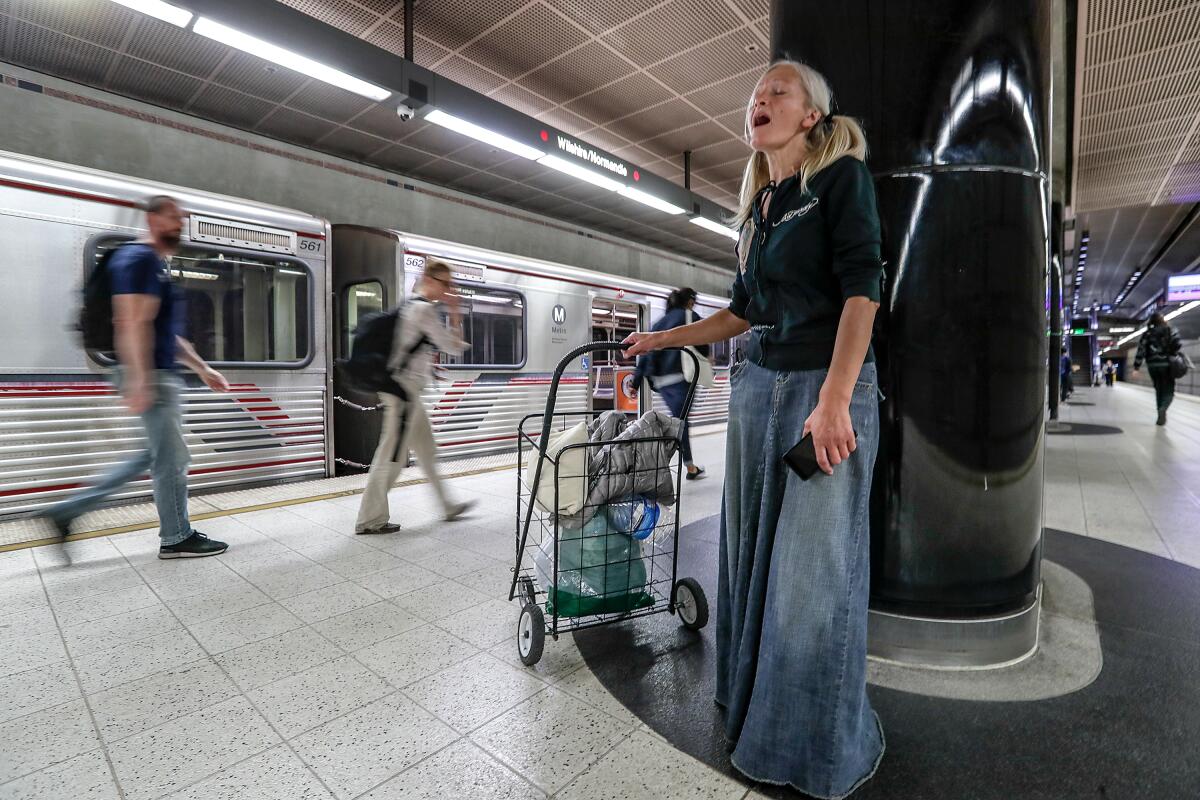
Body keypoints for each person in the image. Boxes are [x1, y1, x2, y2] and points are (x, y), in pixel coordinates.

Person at [625, 60, 884, 798]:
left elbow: (863, 289)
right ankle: (752, 719)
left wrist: (835, 398)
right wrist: (665, 341)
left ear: (811, 116)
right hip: (757, 388)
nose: (760, 100)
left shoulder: (839, 182)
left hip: (819, 390)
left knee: (809, 578)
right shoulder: (762, 207)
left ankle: (812, 753)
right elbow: (741, 312)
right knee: (748, 560)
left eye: (778, 92)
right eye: (754, 95)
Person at [42, 196, 231, 559]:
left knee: (158, 454)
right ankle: (176, 537)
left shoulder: (153, 264)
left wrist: (202, 368)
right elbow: (129, 321)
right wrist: (140, 379)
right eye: (174, 217)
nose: (181, 224)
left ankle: (66, 511)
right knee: (171, 459)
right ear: (153, 219)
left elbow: (163, 332)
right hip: (151, 375)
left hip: (156, 371)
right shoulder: (140, 259)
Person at [355, 259, 475, 534]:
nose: (449, 290)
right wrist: (456, 314)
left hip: (406, 392)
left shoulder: (411, 305)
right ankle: (369, 519)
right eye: (446, 284)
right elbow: (453, 347)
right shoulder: (423, 310)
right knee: (391, 457)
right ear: (429, 280)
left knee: (427, 451)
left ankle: (448, 505)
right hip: (403, 393)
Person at [629, 287, 707, 480]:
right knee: (680, 423)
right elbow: (704, 346)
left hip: (661, 383)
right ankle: (679, 467)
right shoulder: (690, 316)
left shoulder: (659, 323)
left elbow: (645, 354)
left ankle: (683, 465)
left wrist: (635, 382)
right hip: (681, 379)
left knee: (678, 422)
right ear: (689, 301)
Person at [1133, 312, 1183, 426]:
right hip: (1166, 364)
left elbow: (1141, 350)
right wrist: (1171, 351)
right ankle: (1163, 409)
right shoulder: (1170, 330)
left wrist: (1136, 367)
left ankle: (1159, 412)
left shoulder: (1147, 333)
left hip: (1152, 366)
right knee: (1169, 391)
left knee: (1159, 390)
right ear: (1162, 319)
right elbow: (1178, 344)